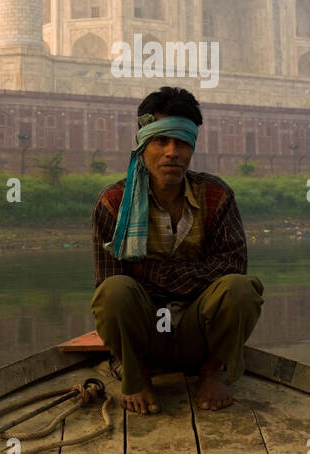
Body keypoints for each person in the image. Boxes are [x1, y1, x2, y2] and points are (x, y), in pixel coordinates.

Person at [91, 86, 264, 415]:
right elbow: (110, 283)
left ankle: (212, 372)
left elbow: (231, 268)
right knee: (114, 292)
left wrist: (147, 272)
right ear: (143, 145)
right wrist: (192, 279)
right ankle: (138, 373)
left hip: (198, 335)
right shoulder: (114, 204)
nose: (172, 152)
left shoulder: (215, 195)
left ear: (193, 148)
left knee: (241, 289)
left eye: (182, 142)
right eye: (161, 141)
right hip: (144, 336)